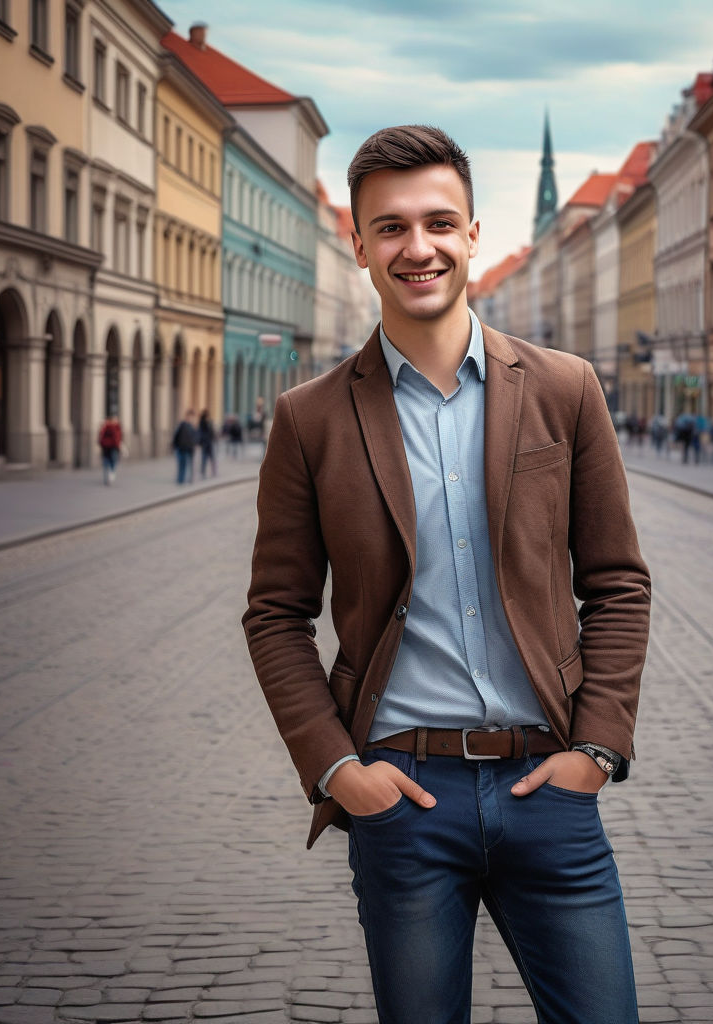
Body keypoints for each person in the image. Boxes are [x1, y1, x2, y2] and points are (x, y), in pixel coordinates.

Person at [243, 125, 651, 1024]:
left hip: (548, 788)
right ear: (358, 245)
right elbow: (275, 614)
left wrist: (597, 749)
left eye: (438, 222)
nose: (416, 247)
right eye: (389, 228)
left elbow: (617, 583)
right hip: (404, 801)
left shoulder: (565, 387)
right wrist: (338, 769)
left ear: (472, 234)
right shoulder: (309, 419)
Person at [172, 409, 197, 484]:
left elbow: (195, 437)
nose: (191, 418)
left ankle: (190, 479)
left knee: (190, 465)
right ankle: (181, 479)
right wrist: (175, 445)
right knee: (182, 464)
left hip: (190, 448)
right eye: (190, 416)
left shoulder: (192, 426)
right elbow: (176, 436)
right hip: (182, 448)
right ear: (187, 416)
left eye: (192, 417)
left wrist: (194, 444)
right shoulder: (182, 425)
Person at [97, 415, 122, 485]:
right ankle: (111, 473)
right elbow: (117, 437)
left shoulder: (109, 426)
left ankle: (109, 475)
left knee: (108, 461)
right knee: (112, 461)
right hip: (112, 446)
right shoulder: (113, 427)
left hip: (108, 446)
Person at [198, 409, 218, 479]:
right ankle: (203, 472)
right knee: (205, 458)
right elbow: (201, 433)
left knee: (211, 458)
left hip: (209, 443)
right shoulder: (202, 422)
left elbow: (212, 432)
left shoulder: (209, 422)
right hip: (205, 443)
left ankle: (214, 471)